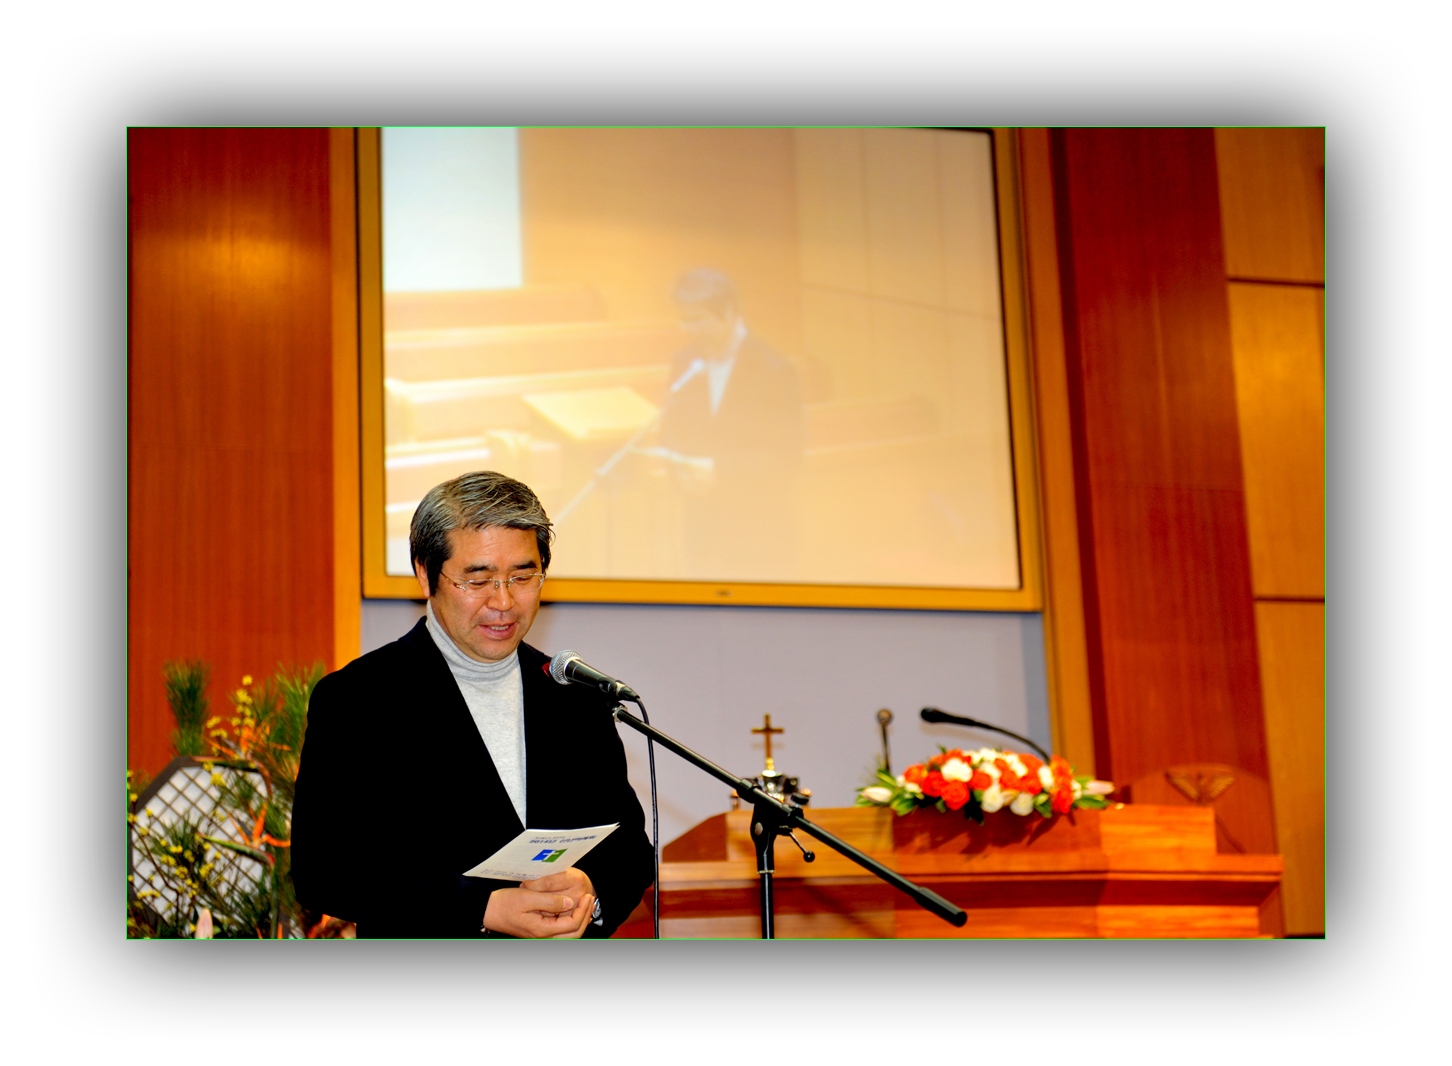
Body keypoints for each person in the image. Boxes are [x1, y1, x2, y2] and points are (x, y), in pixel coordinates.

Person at [291, 471, 654, 938]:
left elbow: (628, 847)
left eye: (522, 576)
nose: (503, 601)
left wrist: (589, 890)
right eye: (478, 579)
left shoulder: (575, 695)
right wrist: (480, 908)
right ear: (425, 573)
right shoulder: (359, 698)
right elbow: (323, 869)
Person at [652, 268, 805, 581]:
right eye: (685, 319)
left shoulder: (773, 370)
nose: (691, 329)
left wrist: (719, 471)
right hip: (701, 526)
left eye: (699, 319)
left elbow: (786, 455)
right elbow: (672, 430)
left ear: (730, 312)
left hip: (756, 529)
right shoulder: (686, 361)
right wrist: (680, 470)